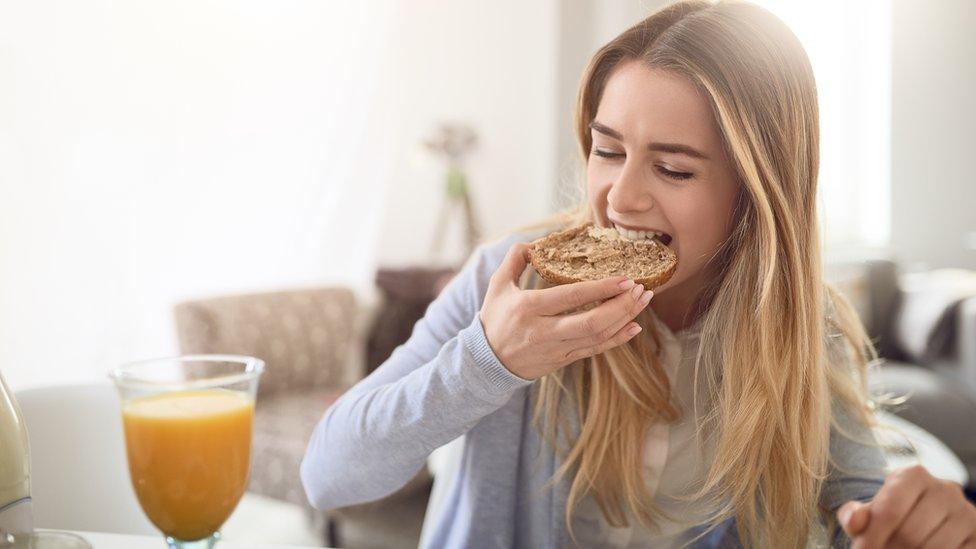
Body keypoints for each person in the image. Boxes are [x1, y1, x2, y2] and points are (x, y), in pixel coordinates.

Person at [301, 1, 976, 546]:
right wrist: (488, 359)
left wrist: (906, 523)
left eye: (674, 168)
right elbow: (327, 474)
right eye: (606, 149)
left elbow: (859, 503)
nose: (620, 197)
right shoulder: (510, 285)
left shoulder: (799, 322)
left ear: (755, 190)